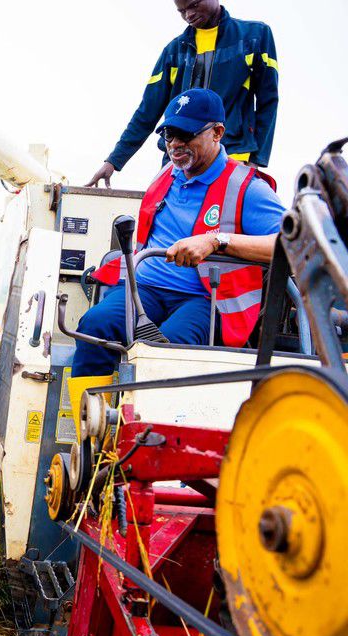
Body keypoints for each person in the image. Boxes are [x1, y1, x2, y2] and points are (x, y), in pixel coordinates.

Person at [77, 89, 284, 378]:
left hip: (206, 299)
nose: (175, 144)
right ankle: (91, 408)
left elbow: (293, 244)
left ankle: (144, 409)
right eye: (169, 135)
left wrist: (216, 240)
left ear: (217, 133)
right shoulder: (166, 174)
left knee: (164, 352)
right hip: (145, 288)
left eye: (185, 135)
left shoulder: (247, 187)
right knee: (94, 325)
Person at [86, 0, 278, 188]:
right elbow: (147, 112)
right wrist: (113, 161)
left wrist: (256, 159)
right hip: (178, 160)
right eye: (182, 11)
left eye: (194, 5)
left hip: (231, 157)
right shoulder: (173, 51)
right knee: (159, 206)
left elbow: (268, 101)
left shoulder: (255, 36)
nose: (189, 15)